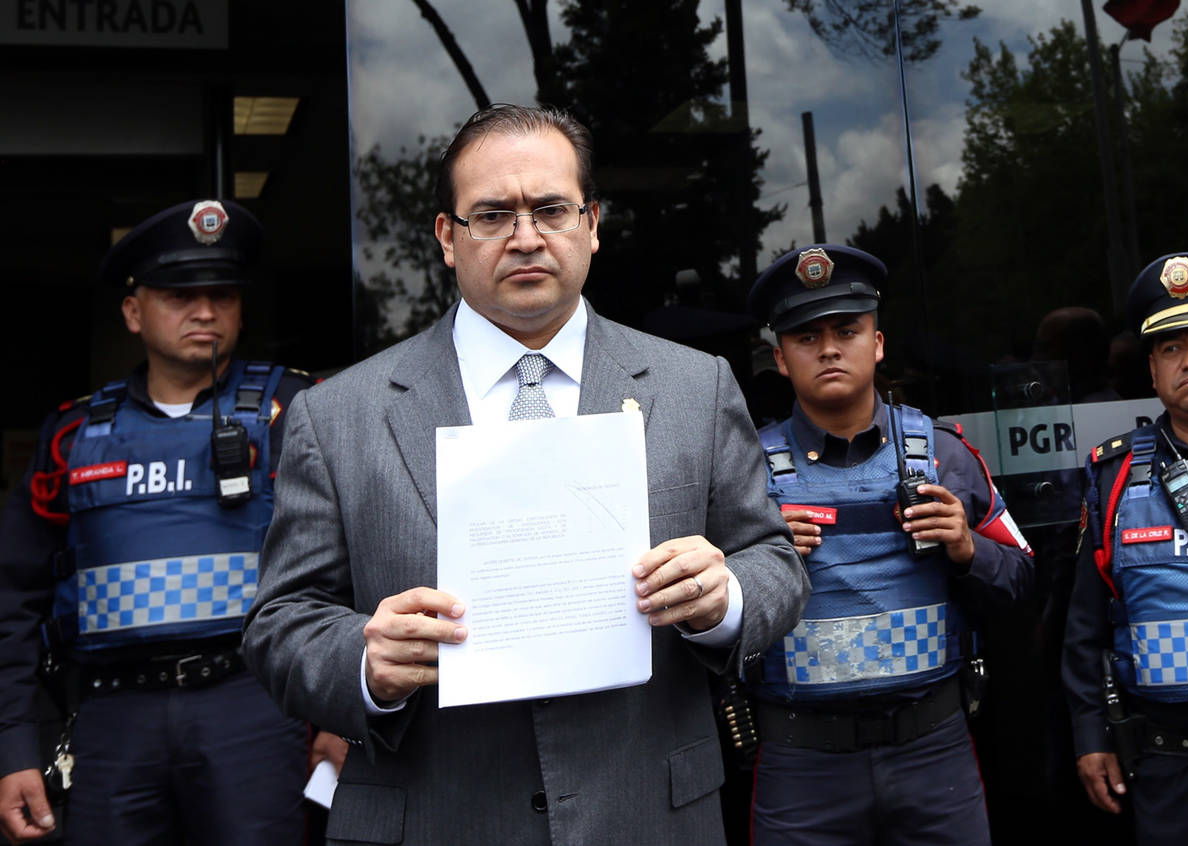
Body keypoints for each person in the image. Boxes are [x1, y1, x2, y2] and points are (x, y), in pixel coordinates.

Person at [239, 103, 809, 845]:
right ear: (448, 237)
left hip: (648, 814)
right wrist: (365, 662)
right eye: (492, 215)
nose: (527, 237)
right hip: (435, 818)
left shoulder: (694, 387)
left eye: (551, 209)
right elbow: (281, 624)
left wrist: (724, 597)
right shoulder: (337, 414)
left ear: (592, 223)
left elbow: (774, 562)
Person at [0, 199, 318, 845]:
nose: (204, 312)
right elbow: (13, 598)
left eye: (221, 295)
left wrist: (341, 718)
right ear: (133, 312)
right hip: (112, 717)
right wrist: (13, 745)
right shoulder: (72, 436)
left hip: (255, 706)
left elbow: (358, 564)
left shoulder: (300, 411)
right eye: (179, 296)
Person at [744, 244, 1035, 846]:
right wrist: (757, 562)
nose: (829, 348)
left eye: (847, 331)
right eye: (806, 336)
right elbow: (708, 613)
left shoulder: (946, 455)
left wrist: (966, 548)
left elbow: (1024, 583)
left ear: (877, 344)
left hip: (933, 753)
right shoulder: (744, 469)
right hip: (802, 765)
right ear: (780, 358)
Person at [1062, 252, 1188, 845]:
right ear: (1153, 370)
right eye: (1172, 348)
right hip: (1167, 767)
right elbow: (1084, 624)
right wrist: (1090, 735)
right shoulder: (1113, 476)